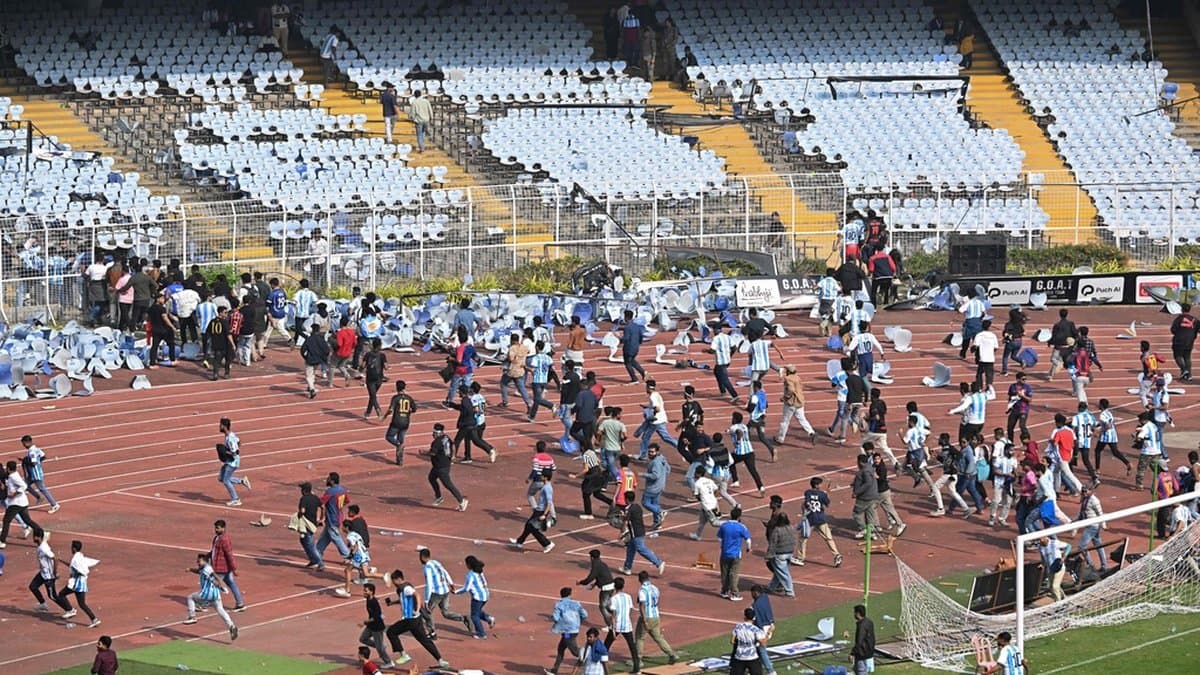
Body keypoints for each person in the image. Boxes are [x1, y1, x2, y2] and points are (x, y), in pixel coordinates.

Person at [383, 569, 448, 668]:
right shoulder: (403, 588)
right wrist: (392, 603)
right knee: (424, 640)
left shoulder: (406, 588)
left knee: (391, 632)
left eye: (394, 581)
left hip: (410, 619)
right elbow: (404, 600)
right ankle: (441, 660)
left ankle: (404, 655)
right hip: (416, 620)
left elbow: (417, 595)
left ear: (398, 579)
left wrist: (417, 609)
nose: (393, 584)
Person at [182, 552, 238, 641]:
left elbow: (213, 577)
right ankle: (232, 626)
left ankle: (192, 617)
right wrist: (190, 569)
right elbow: (198, 571)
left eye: (199, 561)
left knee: (190, 597)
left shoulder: (207, 570)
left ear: (205, 561)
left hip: (207, 594)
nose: (197, 563)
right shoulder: (204, 568)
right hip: (216, 595)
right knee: (220, 610)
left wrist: (220, 585)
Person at [793, 476, 842, 568]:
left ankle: (800, 558)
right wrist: (826, 494)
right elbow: (827, 504)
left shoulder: (807, 492)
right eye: (820, 484)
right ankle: (836, 555)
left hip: (810, 519)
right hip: (820, 519)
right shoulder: (822, 494)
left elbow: (807, 502)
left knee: (803, 539)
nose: (821, 485)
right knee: (828, 538)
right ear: (816, 485)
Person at [634, 570, 678, 664]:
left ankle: (638, 659)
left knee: (640, 638)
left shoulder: (642, 590)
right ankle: (671, 654)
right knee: (658, 637)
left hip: (647, 617)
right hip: (656, 616)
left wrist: (644, 620)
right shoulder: (655, 588)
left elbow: (642, 606)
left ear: (640, 579)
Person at [619, 491, 665, 576]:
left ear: (627, 499)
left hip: (635, 533)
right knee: (630, 549)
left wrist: (621, 532)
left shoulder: (628, 509)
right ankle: (627, 568)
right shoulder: (637, 507)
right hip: (640, 530)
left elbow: (626, 521)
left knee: (641, 549)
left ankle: (658, 563)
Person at [509, 468, 556, 552]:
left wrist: (544, 515)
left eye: (542, 475)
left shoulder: (547, 488)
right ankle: (519, 542)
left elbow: (549, 503)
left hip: (540, 511)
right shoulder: (545, 486)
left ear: (545, 477)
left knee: (533, 528)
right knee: (528, 525)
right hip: (539, 510)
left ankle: (547, 544)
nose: (540, 476)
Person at [57, 539, 101, 627]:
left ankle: (70, 610)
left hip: (76, 584)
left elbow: (79, 569)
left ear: (74, 548)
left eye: (71, 547)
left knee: (61, 594)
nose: (71, 549)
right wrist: (62, 561)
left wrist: (78, 573)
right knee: (82, 604)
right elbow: (73, 566)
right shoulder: (80, 557)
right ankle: (94, 619)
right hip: (81, 584)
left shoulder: (75, 559)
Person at [546, 586, 588, 675]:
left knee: (575, 652)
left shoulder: (559, 605)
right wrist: (578, 621)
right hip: (574, 630)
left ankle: (589, 655)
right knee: (561, 649)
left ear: (561, 595)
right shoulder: (576, 603)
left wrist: (552, 619)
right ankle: (554, 670)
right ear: (569, 595)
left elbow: (555, 618)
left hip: (567, 633)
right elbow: (584, 615)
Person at [426, 424, 468, 511]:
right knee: (431, 478)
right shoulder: (446, 437)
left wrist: (423, 453)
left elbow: (432, 453)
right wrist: (453, 456)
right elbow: (453, 445)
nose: (433, 435)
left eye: (434, 433)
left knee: (448, 484)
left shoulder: (436, 442)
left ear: (438, 433)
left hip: (441, 467)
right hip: (440, 465)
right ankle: (439, 497)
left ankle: (461, 500)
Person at [454, 555, 493, 640]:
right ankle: (489, 618)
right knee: (477, 611)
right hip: (486, 595)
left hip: (477, 597)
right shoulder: (479, 571)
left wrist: (456, 592)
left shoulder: (470, 575)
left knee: (474, 616)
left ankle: (481, 633)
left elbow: (466, 588)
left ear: (468, 564)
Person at [717, 506, 752, 601]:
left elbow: (719, 538)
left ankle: (724, 591)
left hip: (724, 553)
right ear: (739, 517)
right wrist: (748, 549)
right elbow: (748, 540)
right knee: (734, 574)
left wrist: (724, 545)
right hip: (735, 554)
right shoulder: (741, 527)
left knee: (724, 573)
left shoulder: (724, 526)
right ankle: (734, 593)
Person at [210, 520, 245, 612]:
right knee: (231, 583)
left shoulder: (224, 539)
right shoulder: (217, 538)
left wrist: (234, 568)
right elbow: (214, 551)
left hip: (221, 568)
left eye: (218, 528)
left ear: (223, 528)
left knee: (212, 585)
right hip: (222, 567)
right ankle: (240, 603)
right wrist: (207, 556)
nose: (216, 530)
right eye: (215, 528)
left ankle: (204, 604)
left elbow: (229, 555)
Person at [776, 365, 816, 444]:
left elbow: (790, 390)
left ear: (788, 371)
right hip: (799, 402)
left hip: (791, 403)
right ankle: (811, 432)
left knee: (785, 421)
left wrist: (785, 397)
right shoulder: (798, 378)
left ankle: (780, 438)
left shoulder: (788, 379)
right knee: (802, 419)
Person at [358, 583, 395, 668]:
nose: (364, 592)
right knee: (363, 639)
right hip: (371, 626)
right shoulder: (368, 599)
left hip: (377, 628)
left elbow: (377, 616)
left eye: (366, 591)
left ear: (371, 592)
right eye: (364, 590)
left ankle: (389, 662)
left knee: (379, 649)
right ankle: (380, 646)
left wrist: (364, 622)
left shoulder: (374, 602)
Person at [216, 418, 251, 507]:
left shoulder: (230, 439)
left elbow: (235, 452)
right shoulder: (230, 435)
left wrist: (224, 452)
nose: (219, 427)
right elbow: (239, 442)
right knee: (221, 478)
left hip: (232, 462)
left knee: (226, 481)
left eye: (220, 425)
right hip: (229, 461)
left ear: (224, 426)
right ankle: (242, 481)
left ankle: (236, 499)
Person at [21, 435, 59, 514]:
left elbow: (33, 463)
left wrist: (25, 461)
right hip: (34, 473)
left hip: (35, 474)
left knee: (42, 489)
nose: (23, 445)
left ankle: (54, 504)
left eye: (24, 443)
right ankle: (38, 497)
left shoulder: (31, 452)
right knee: (24, 485)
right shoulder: (36, 449)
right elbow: (44, 456)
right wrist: (37, 462)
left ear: (27, 442)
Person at [383, 380, 416, 465]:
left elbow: (391, 409)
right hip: (406, 422)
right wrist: (408, 412)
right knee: (401, 440)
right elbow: (414, 409)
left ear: (396, 388)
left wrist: (385, 416)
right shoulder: (409, 398)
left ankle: (398, 445)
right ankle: (399, 460)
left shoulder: (395, 398)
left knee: (389, 436)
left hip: (396, 421)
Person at [730, 606, 769, 675]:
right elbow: (763, 644)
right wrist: (767, 634)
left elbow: (732, 641)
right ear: (754, 618)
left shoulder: (738, 627)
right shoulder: (756, 630)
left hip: (739, 657)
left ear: (745, 617)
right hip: (752, 657)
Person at [765, 510, 795, 596]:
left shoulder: (777, 530)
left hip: (780, 554)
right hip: (789, 553)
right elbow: (794, 540)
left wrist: (768, 555)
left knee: (783, 573)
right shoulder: (791, 528)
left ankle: (790, 592)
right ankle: (771, 587)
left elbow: (773, 544)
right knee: (779, 572)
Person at [708, 322, 740, 403]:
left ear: (716, 330)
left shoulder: (716, 338)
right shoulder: (727, 337)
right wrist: (730, 355)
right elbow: (734, 348)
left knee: (724, 379)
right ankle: (722, 390)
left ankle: (734, 395)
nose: (713, 331)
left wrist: (707, 351)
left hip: (721, 362)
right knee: (716, 372)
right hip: (727, 361)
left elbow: (712, 350)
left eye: (713, 330)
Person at [750, 585, 778, 673]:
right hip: (770, 625)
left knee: (762, 650)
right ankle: (756, 668)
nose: (751, 595)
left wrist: (761, 634)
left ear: (756, 593)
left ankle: (771, 671)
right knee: (758, 649)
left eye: (752, 593)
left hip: (762, 629)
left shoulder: (755, 605)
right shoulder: (765, 597)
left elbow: (758, 621)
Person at [146, 292, 178, 368]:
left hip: (155, 329)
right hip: (164, 329)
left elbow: (148, 318)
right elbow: (165, 318)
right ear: (158, 299)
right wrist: (172, 327)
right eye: (162, 298)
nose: (164, 300)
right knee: (171, 344)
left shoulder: (151, 308)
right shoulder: (162, 308)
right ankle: (172, 360)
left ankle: (152, 363)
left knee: (154, 346)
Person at [851, 453, 880, 537]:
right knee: (870, 514)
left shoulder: (864, 471)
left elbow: (868, 483)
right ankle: (871, 532)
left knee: (856, 513)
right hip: (873, 495)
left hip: (865, 497)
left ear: (860, 462)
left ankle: (863, 529)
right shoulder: (870, 468)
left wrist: (856, 492)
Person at [300, 326, 330, 399]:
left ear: (312, 330)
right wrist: (323, 357)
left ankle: (312, 389)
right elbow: (327, 350)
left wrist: (306, 357)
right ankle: (310, 386)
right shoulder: (321, 339)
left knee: (308, 376)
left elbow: (303, 350)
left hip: (310, 360)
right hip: (318, 360)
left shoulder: (309, 339)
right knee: (313, 373)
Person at [205, 305, 235, 380]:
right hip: (225, 344)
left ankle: (215, 374)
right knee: (228, 359)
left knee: (216, 360)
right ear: (220, 313)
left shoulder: (212, 321)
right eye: (225, 312)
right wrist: (233, 344)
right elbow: (228, 334)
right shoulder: (224, 322)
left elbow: (208, 332)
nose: (226, 314)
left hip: (216, 343)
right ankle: (226, 373)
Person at [1170, 302, 1198, 381]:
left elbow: (1173, 330)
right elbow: (1198, 329)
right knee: (1187, 357)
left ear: (1182, 309)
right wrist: (1193, 335)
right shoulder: (1194, 319)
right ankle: (1189, 375)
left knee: (1177, 355)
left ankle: (1184, 370)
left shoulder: (1178, 319)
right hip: (1190, 341)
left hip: (1179, 340)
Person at [620, 309, 647, 383]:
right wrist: (639, 343)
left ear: (626, 317)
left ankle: (634, 378)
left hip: (628, 348)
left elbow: (626, 338)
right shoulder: (637, 326)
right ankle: (643, 372)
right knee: (632, 360)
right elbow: (641, 336)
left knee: (627, 363)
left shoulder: (627, 327)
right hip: (636, 347)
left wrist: (619, 338)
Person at [850, 604, 876, 675]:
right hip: (869, 651)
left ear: (858, 613)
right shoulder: (869, 621)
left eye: (855, 612)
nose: (854, 614)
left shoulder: (861, 626)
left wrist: (852, 653)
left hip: (862, 654)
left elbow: (859, 641)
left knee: (860, 671)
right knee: (861, 670)